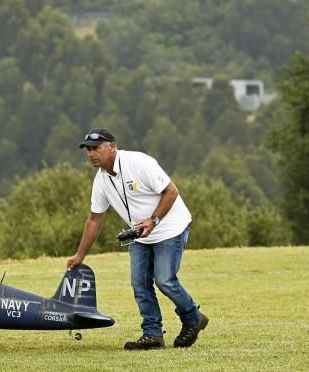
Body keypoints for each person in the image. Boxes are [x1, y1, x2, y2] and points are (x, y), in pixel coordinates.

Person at [66, 128, 209, 350]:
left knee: (164, 280)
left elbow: (171, 191)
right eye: (88, 150)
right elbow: (94, 220)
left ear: (112, 146)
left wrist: (154, 220)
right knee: (140, 284)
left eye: (96, 148)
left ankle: (192, 318)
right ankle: (152, 334)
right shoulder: (101, 180)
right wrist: (80, 255)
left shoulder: (139, 162)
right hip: (140, 235)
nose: (91, 154)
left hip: (170, 228)